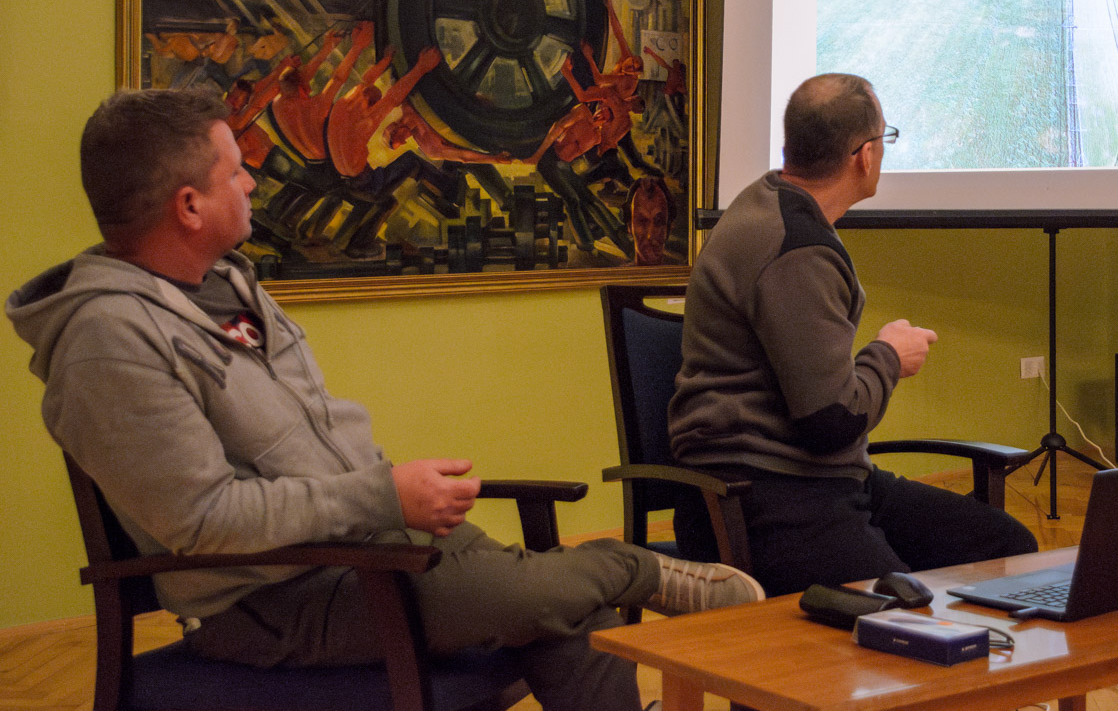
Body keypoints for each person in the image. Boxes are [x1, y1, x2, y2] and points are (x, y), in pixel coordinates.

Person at [7, 87, 762, 711]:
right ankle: (633, 568)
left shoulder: (226, 284)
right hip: (274, 601)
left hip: (372, 544)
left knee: (555, 610)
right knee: (560, 601)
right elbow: (204, 521)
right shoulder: (107, 341)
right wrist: (383, 496)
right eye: (234, 172)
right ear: (188, 206)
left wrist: (390, 502)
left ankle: (601, 586)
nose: (251, 183)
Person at [668, 73, 1037, 596]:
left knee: (1006, 548)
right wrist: (889, 356)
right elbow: (830, 421)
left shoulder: (767, 203)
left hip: (826, 480)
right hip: (764, 493)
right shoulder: (796, 249)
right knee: (902, 611)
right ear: (864, 156)